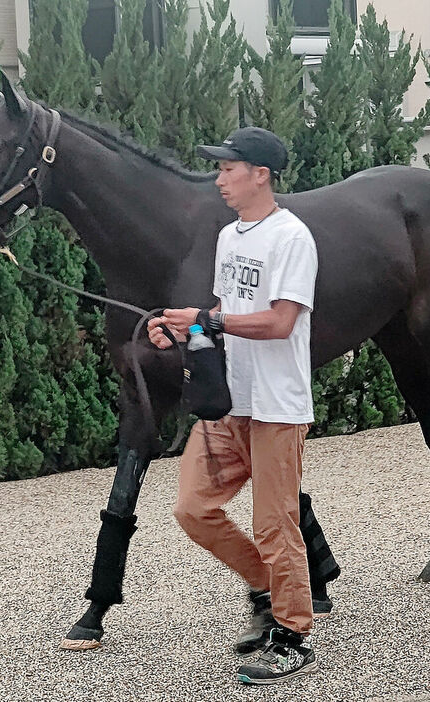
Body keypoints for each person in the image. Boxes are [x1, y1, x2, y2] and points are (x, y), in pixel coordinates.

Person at [148, 127, 319, 685]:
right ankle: (269, 588)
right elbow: (224, 310)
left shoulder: (291, 239)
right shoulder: (230, 237)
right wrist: (181, 328)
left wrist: (210, 320)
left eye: (228, 168)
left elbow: (280, 321)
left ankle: (292, 635)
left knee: (275, 525)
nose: (219, 178)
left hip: (277, 407)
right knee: (193, 509)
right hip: (228, 401)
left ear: (260, 174)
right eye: (219, 168)